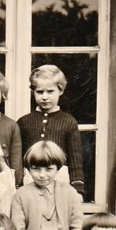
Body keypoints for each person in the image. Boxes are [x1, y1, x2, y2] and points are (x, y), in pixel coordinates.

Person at [11, 140, 84, 230]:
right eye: (36, 169)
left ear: (58, 168)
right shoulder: (21, 195)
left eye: (49, 169)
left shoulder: (70, 193)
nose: (42, 175)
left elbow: (78, 226)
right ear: (29, 168)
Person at [17, 65, 85, 196]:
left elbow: (75, 157)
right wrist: (18, 182)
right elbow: (19, 157)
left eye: (50, 91)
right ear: (33, 92)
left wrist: (78, 188)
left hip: (59, 178)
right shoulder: (23, 122)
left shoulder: (68, 121)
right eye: (40, 92)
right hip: (32, 177)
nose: (44, 97)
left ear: (60, 90)